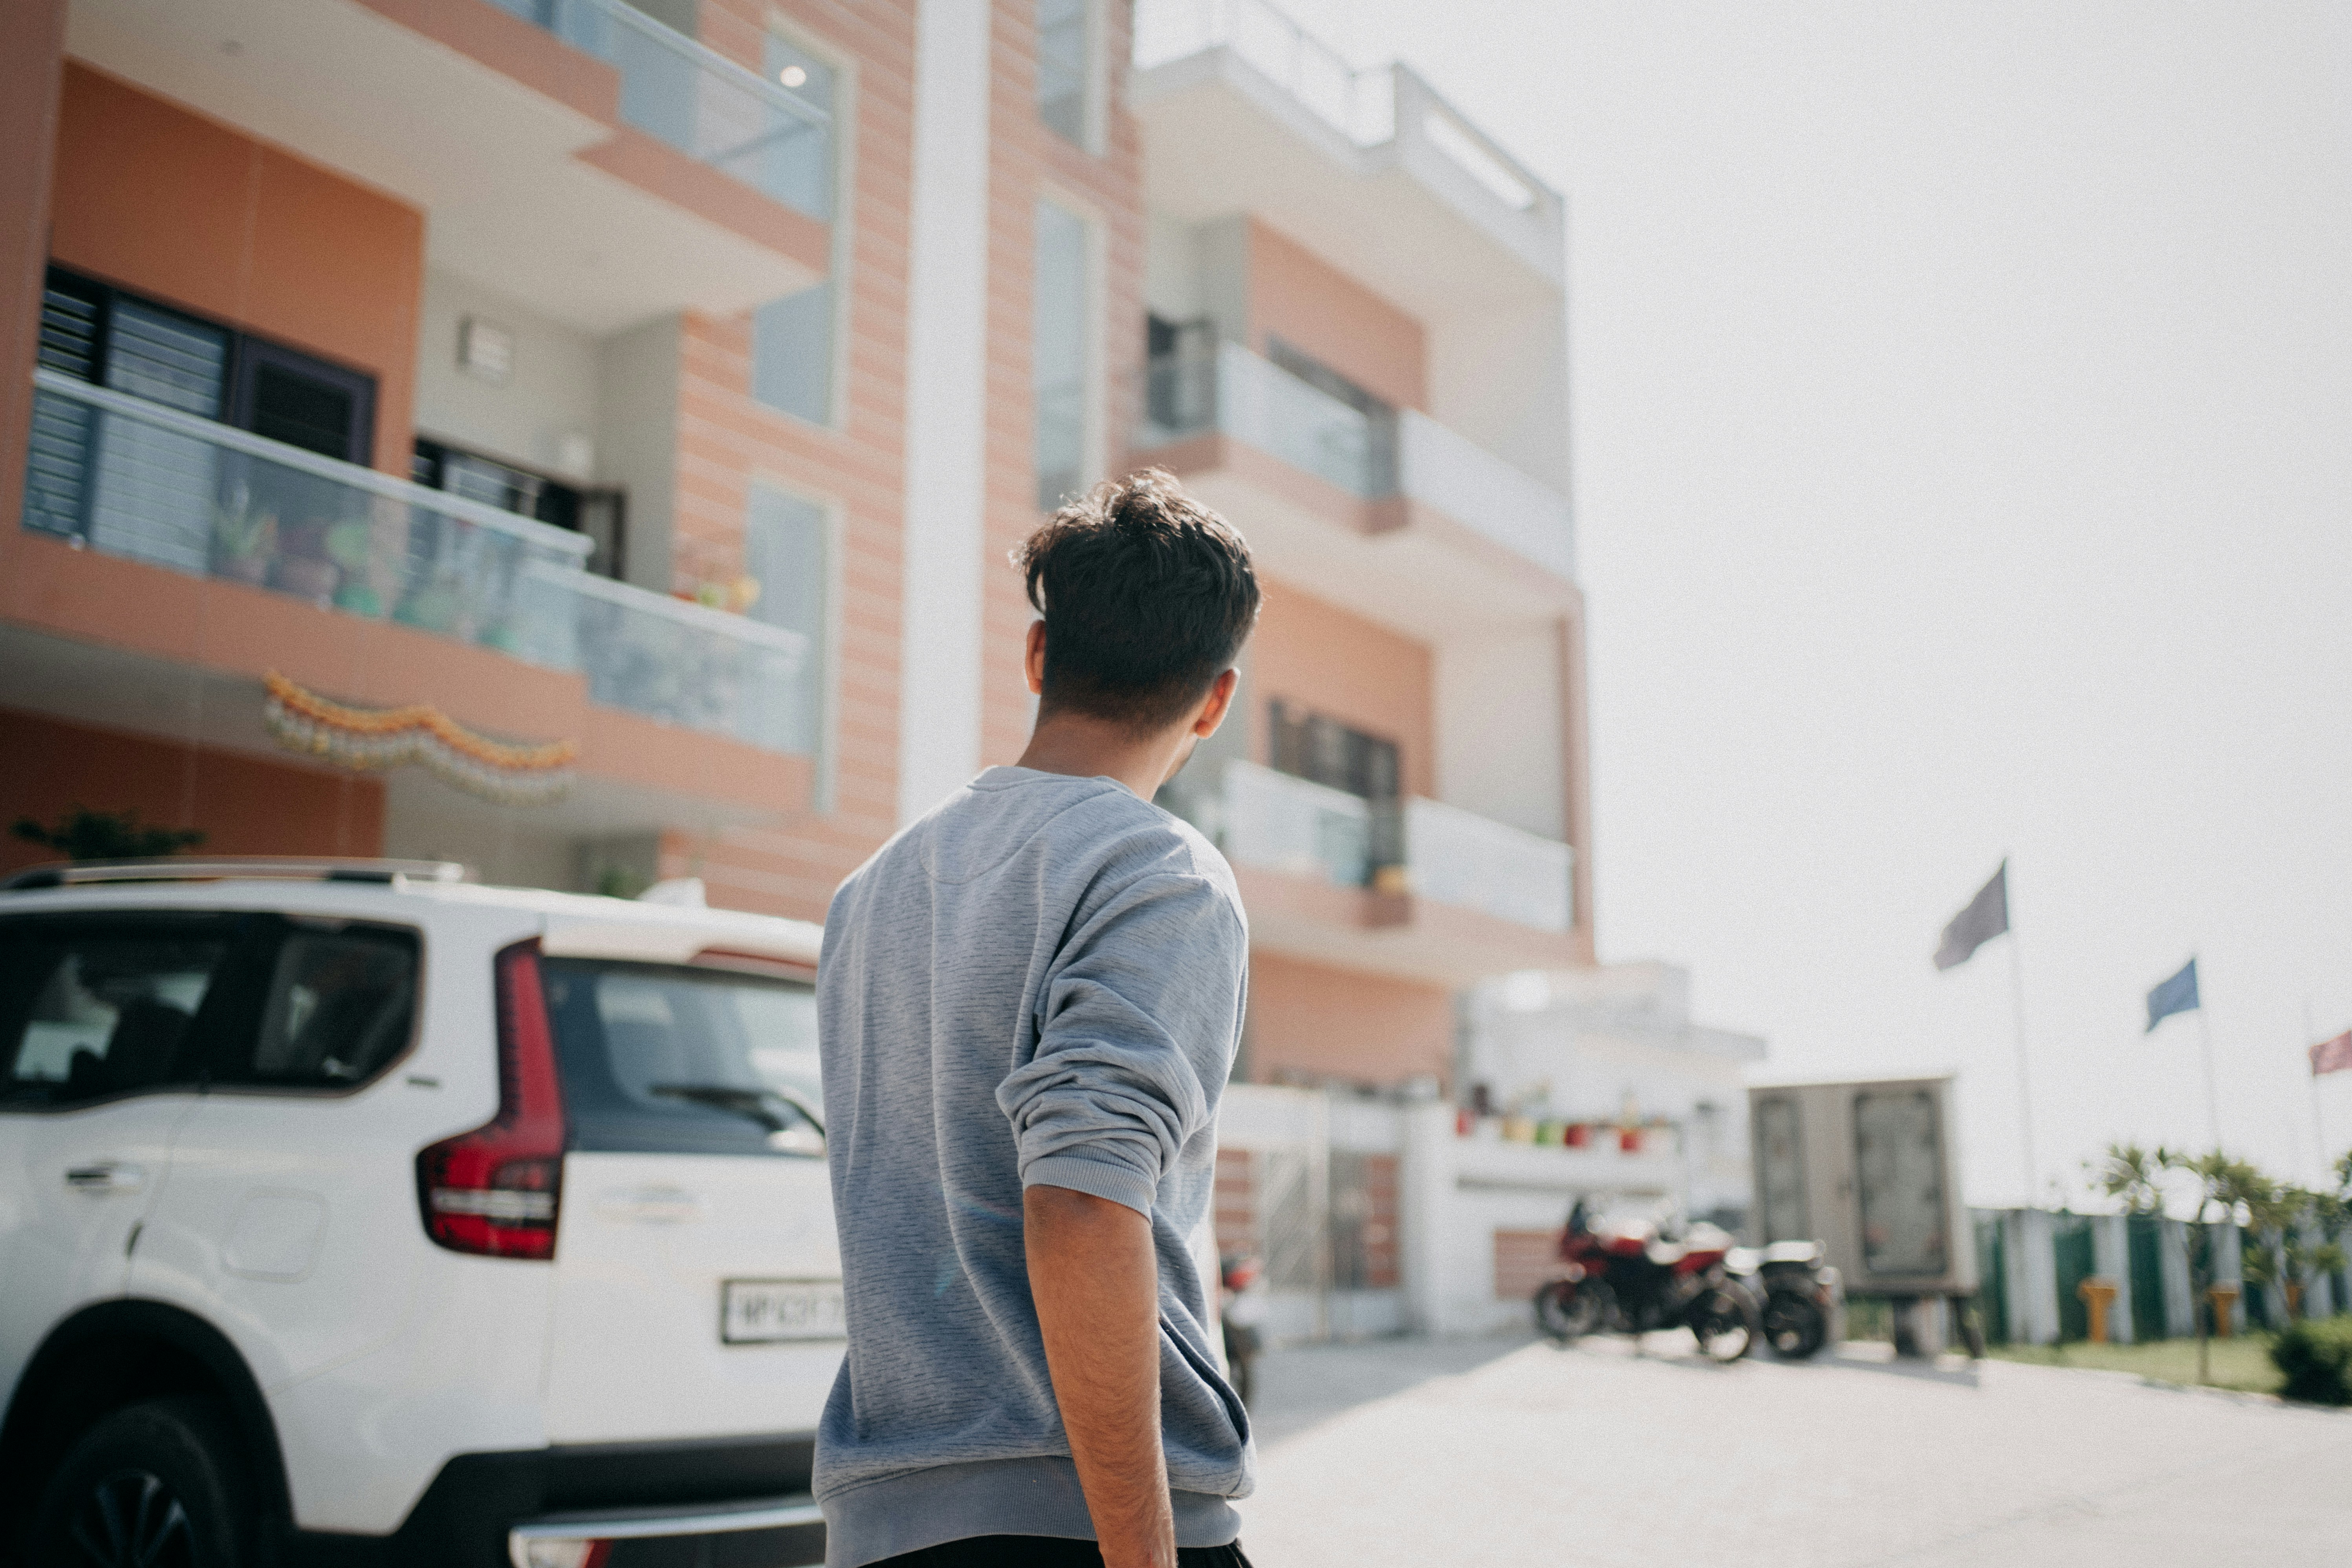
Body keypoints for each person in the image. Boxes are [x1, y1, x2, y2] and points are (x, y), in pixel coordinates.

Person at [815, 470, 1262, 1568]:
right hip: (1083, 1524)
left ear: (1035, 657)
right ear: (1214, 700)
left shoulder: (871, 887)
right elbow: (1078, 1202)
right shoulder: (1161, 874)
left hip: (886, 1524)